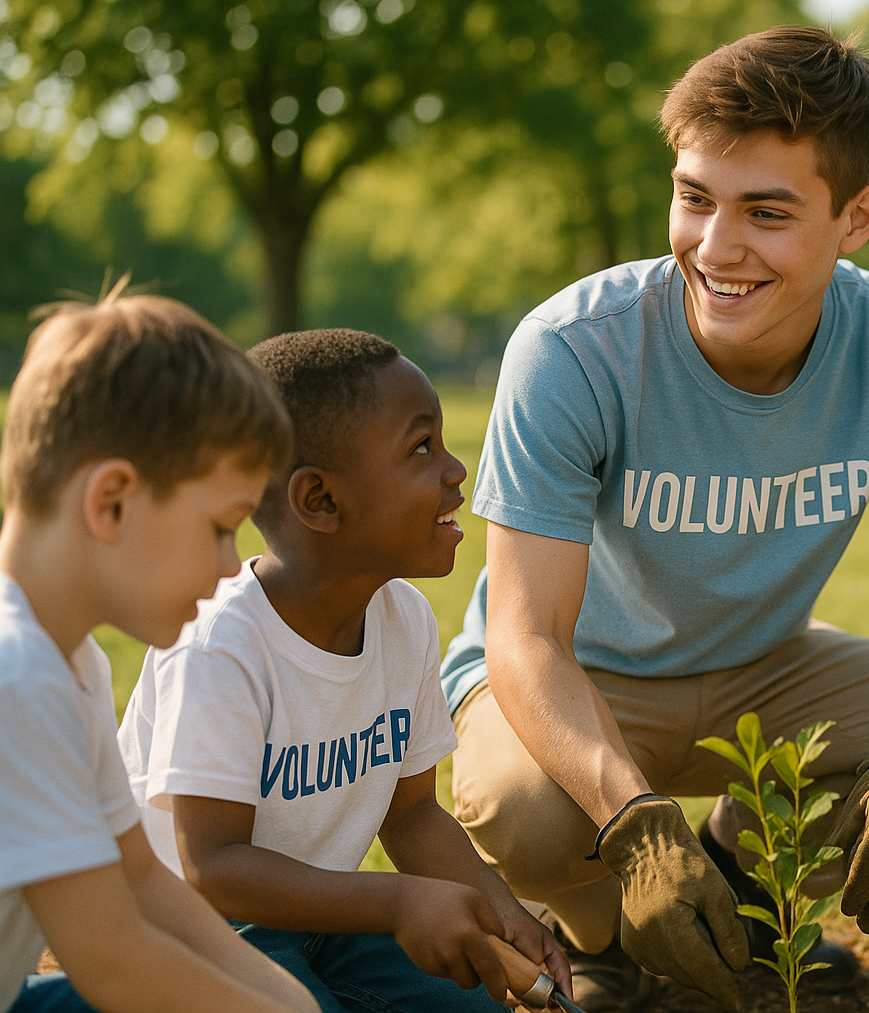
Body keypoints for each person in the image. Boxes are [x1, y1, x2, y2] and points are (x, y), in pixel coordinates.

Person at [440, 26, 869, 1013]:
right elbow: (525, 634)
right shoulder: (571, 349)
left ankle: (737, 892)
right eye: (695, 198)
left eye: (767, 211)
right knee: (521, 802)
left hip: (762, 672)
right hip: (581, 675)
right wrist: (634, 827)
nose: (717, 247)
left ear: (857, 216)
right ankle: (602, 936)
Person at [117, 329, 569, 1012]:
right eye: (422, 447)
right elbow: (212, 867)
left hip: (318, 921)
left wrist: (506, 914)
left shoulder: (405, 620)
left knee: (471, 1005)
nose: (455, 469)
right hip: (187, 931)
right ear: (320, 501)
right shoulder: (218, 646)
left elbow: (412, 816)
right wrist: (398, 900)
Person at [0, 289, 320, 1013]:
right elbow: (114, 962)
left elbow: (141, 882)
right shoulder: (17, 675)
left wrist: (292, 1004)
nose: (230, 563)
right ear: (111, 500)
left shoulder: (67, 661)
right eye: (219, 527)